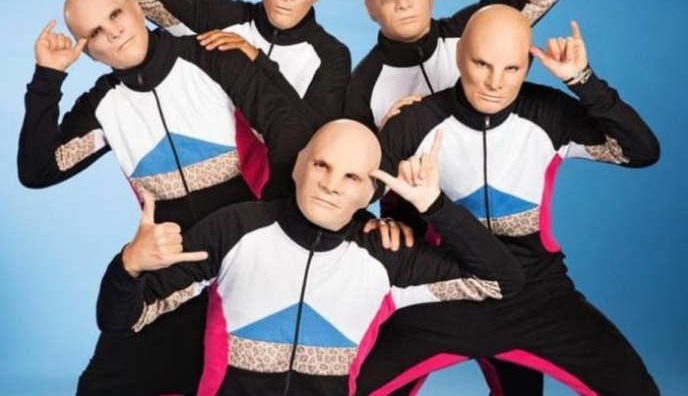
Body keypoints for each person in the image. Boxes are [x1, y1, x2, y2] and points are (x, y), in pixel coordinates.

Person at [17, 0, 313, 396]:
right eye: (96, 32)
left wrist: (276, 220)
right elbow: (38, 169)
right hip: (172, 259)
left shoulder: (210, 55)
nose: (113, 32)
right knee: (104, 382)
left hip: (250, 243)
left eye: (115, 15)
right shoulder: (102, 106)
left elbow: (288, 128)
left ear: (136, 9)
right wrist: (48, 77)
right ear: (88, 52)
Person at [355, 5, 660, 396]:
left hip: (535, 293)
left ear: (526, 67)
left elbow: (640, 151)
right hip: (442, 286)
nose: (495, 83)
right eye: (482, 64)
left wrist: (583, 80)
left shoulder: (549, 113)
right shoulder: (416, 121)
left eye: (511, 69)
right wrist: (370, 221)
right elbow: (347, 189)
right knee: (348, 386)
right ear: (460, 56)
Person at [95, 119, 525, 396]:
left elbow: (503, 280)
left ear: (370, 193)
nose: (331, 185)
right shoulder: (235, 227)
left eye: (351, 176)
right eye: (322, 165)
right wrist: (129, 265)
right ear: (300, 165)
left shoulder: (386, 255)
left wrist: (434, 206)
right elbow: (120, 320)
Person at [115, 0, 351, 197]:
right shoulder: (223, 19)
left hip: (276, 199)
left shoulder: (330, 55)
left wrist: (255, 60)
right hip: (204, 188)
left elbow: (318, 143)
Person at [344, 0, 568, 131]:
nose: (403, 4)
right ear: (370, 9)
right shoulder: (362, 87)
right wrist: (385, 135)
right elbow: (353, 166)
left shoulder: (472, 30)